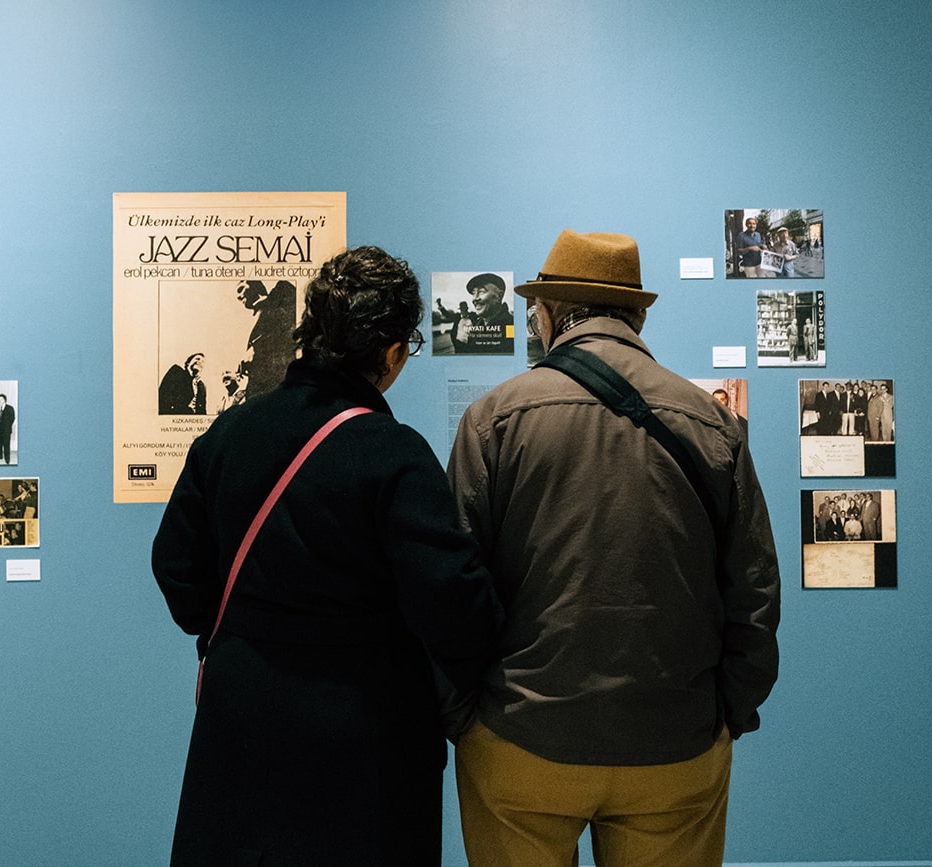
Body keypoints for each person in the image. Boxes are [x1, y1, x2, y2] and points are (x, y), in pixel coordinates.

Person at [152, 245, 503, 866]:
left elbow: (176, 566)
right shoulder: (393, 454)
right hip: (364, 725)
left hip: (241, 711)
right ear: (392, 353)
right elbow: (453, 602)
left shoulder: (228, 434)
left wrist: (241, 633)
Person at [447, 229, 780, 867]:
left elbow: (455, 585)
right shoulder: (710, 422)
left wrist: (466, 717)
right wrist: (725, 713)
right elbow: (755, 590)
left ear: (552, 314)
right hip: (674, 744)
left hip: (522, 740)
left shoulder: (495, 417)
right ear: (638, 315)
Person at [238, 279, 297, 399]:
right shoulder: (254, 319)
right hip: (259, 388)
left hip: (279, 382)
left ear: (254, 286)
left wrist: (256, 348)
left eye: (241, 289)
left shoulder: (282, 291)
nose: (239, 297)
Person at [449, 273, 515, 354]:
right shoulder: (477, 325)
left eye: (481, 291)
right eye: (473, 293)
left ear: (499, 295)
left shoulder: (510, 325)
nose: (475, 299)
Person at [0, 393, 16, 463]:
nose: (0, 401)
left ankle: (7, 458)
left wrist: (7, 426)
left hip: (6, 429)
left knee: (6, 444)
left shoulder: (10, 408)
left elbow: (12, 418)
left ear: (5, 400)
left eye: (1, 399)